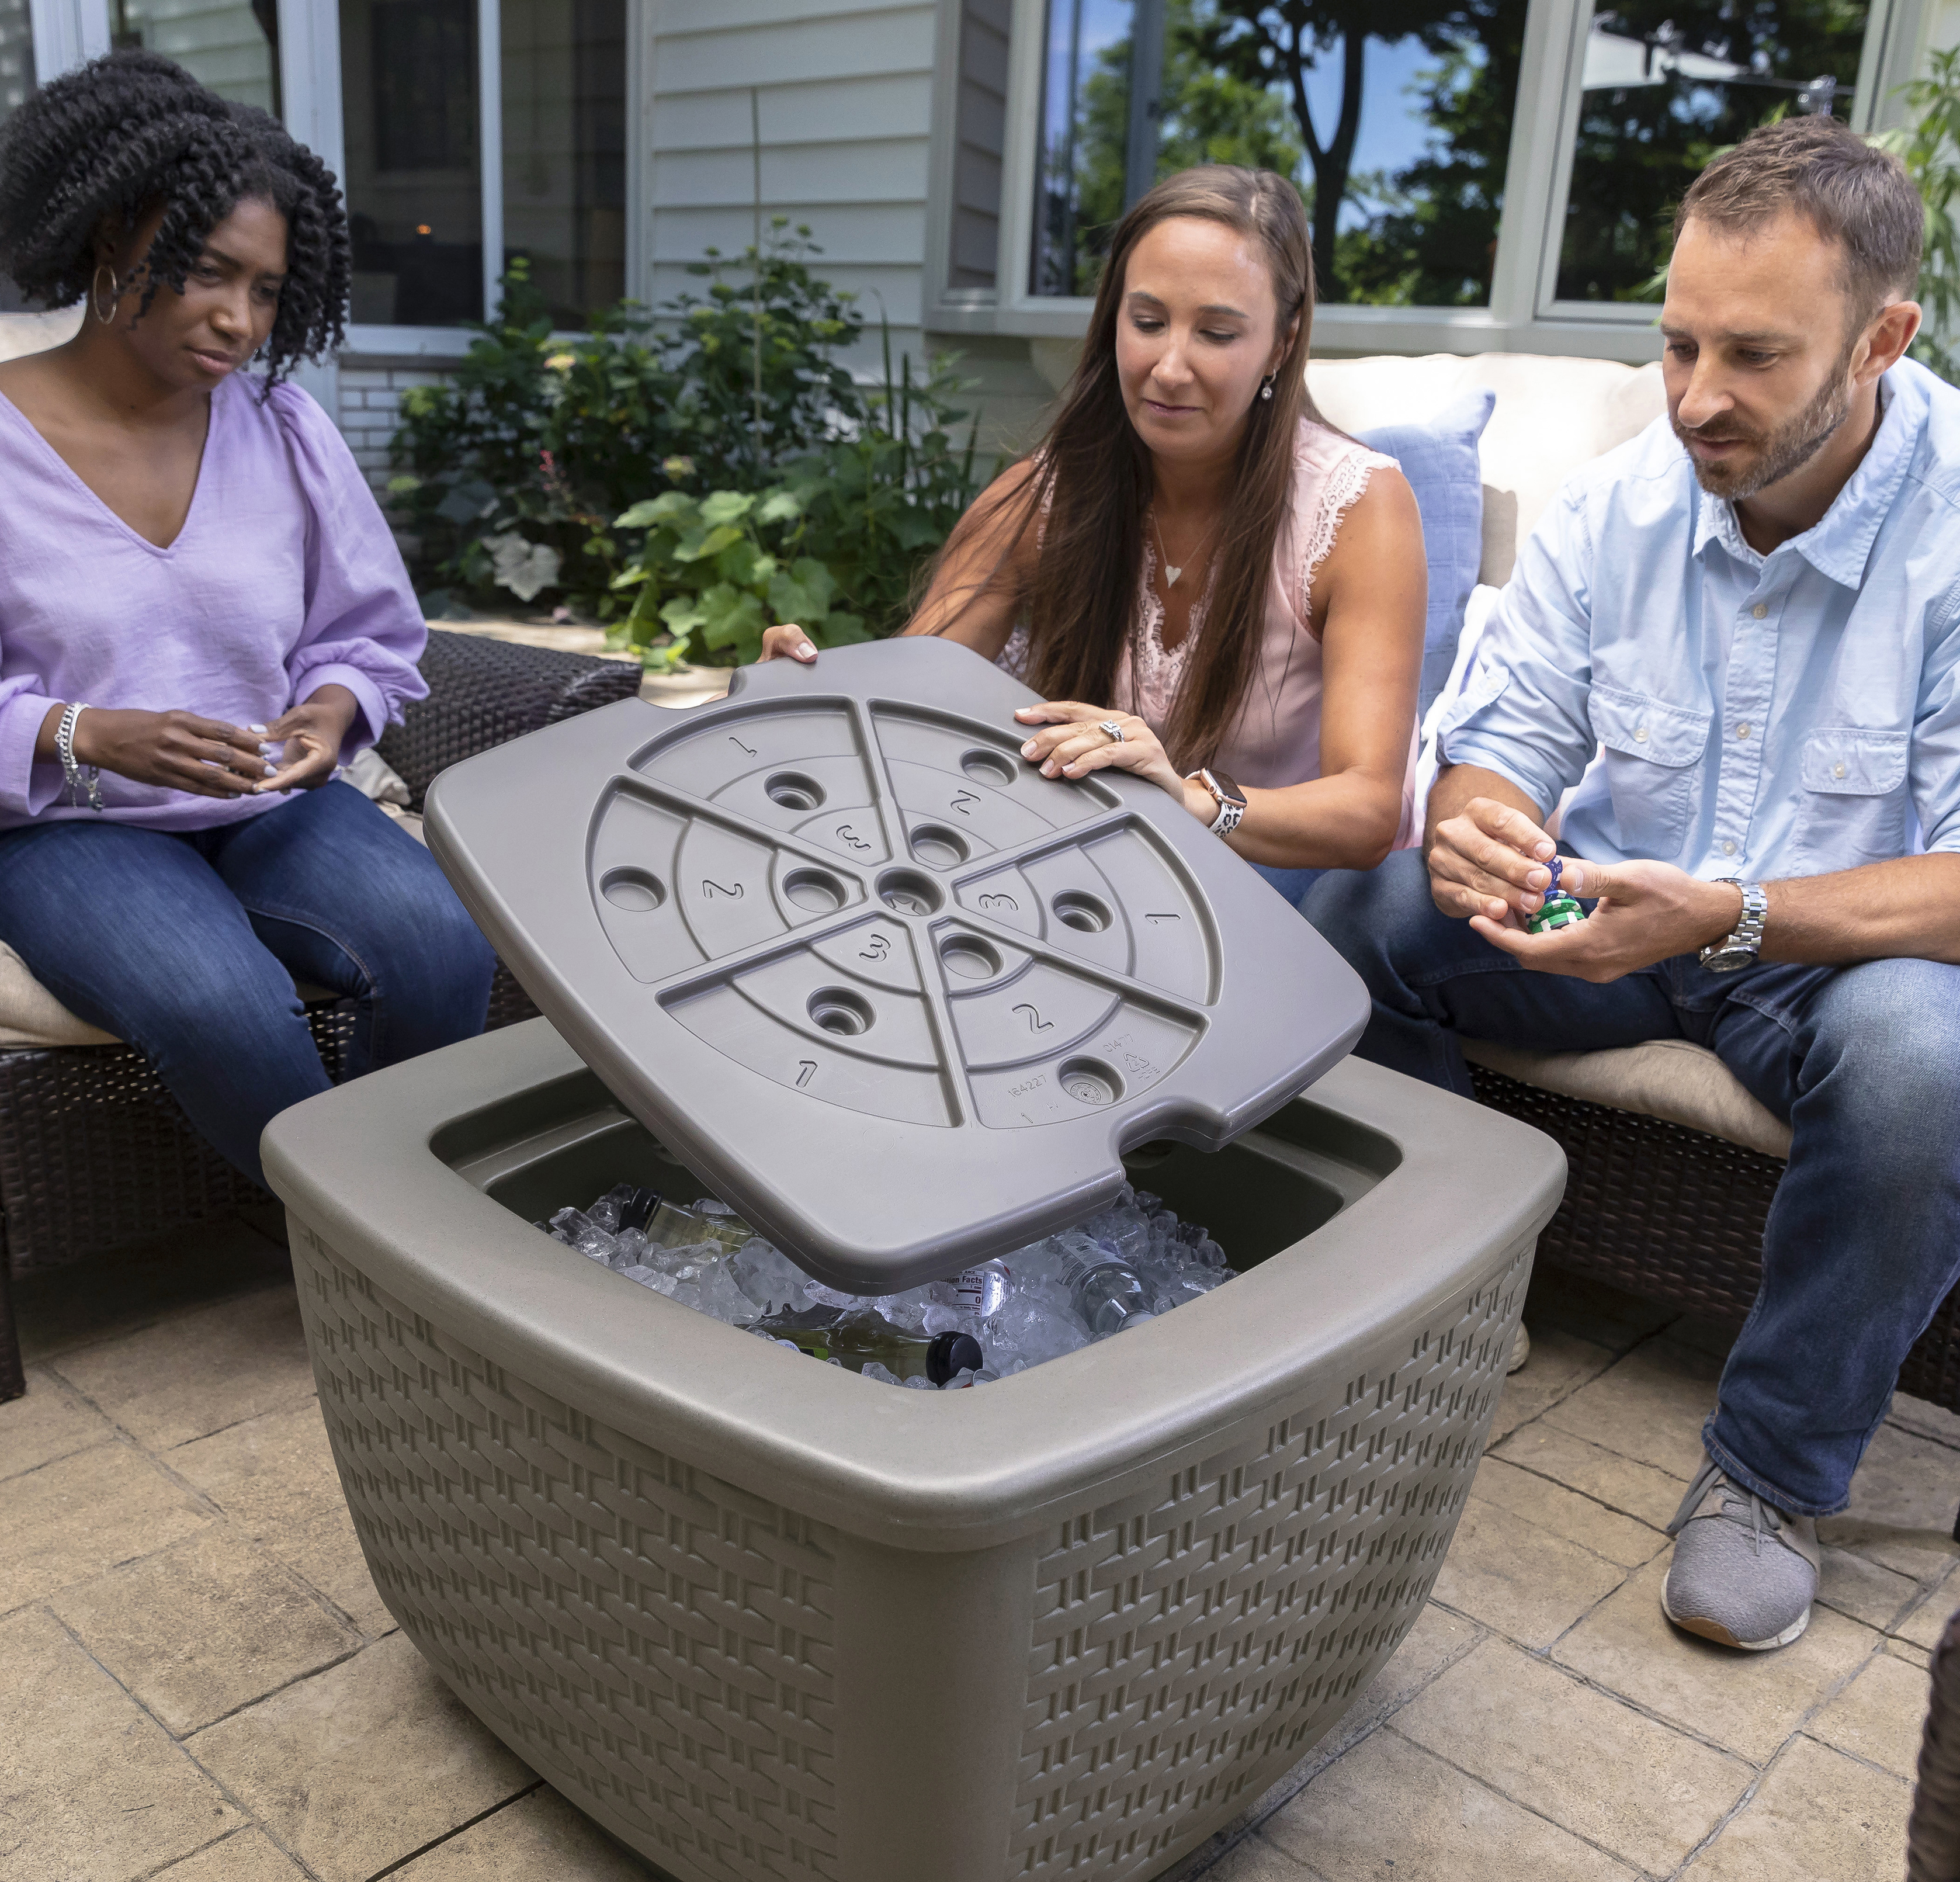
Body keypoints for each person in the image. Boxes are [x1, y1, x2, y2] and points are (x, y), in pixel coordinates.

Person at [1306, 117, 1960, 1653]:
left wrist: (1736, 916)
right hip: (1609, 913)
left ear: (1880, 340)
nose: (1695, 397)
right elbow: (1499, 744)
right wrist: (1480, 827)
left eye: (1753, 355)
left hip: (1838, 961)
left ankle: (1767, 1478)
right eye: (1675, 344)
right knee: (1357, 919)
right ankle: (1453, 1293)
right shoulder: (1620, 504)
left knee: (1926, 1064)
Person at [0, 50, 496, 1188]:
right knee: (219, 1002)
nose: (239, 320)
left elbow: (367, 631)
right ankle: (376, 1236)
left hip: (266, 798)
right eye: (207, 272)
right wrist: (89, 731)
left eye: (267, 290)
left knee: (442, 943)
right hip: (60, 825)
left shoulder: (282, 427)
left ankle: (390, 1225)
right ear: (109, 236)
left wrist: (330, 713)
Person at [758, 164, 1427, 905]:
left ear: (1281, 343)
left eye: (1215, 333)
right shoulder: (1043, 496)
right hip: (1094, 879)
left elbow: (1368, 812)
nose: (1168, 368)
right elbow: (904, 696)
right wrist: (802, 696)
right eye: (1147, 322)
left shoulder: (1358, 508)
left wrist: (1188, 799)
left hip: (1286, 894)